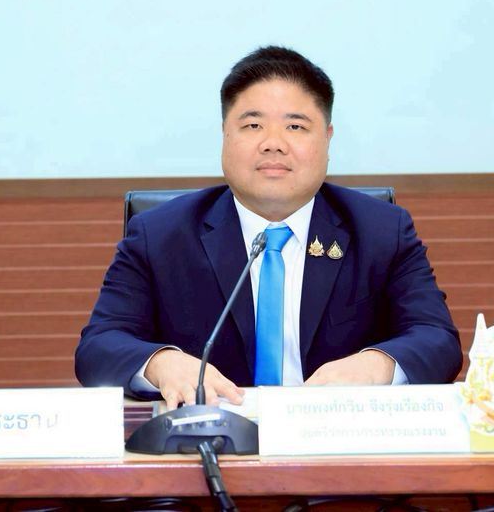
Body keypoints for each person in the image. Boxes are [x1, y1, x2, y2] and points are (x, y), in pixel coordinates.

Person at [75, 46, 462, 410]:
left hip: (337, 439)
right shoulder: (160, 236)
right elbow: (99, 347)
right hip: (209, 440)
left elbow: (436, 339)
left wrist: (376, 365)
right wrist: (162, 363)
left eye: (295, 126)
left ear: (327, 138)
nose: (273, 143)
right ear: (225, 134)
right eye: (253, 124)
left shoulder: (382, 232)